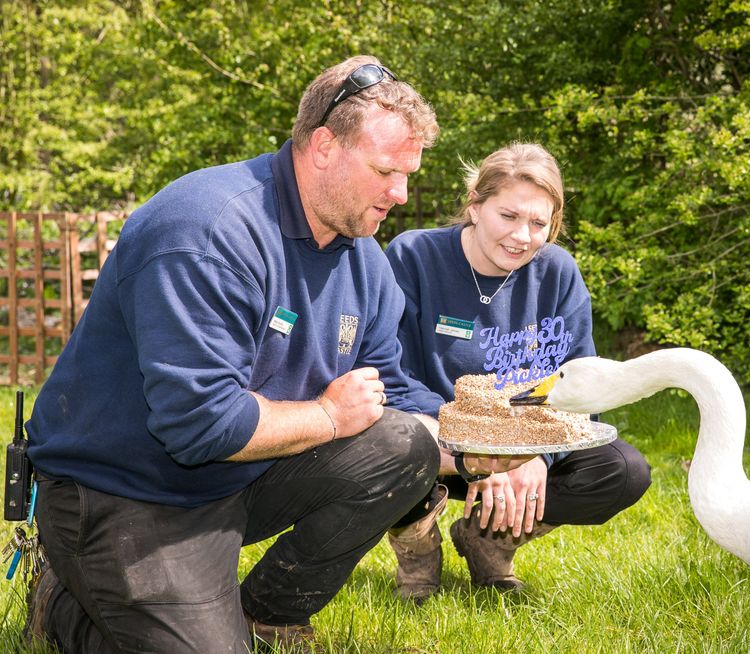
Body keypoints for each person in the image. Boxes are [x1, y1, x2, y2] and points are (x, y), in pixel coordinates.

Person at [23, 55, 524, 653]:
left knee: (404, 444)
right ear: (323, 147)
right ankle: (62, 602)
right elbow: (199, 425)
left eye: (408, 173)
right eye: (385, 170)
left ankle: (267, 613)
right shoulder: (206, 231)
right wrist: (330, 417)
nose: (401, 193)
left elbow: (389, 388)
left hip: (239, 475)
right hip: (126, 491)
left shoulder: (363, 259)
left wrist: (475, 443)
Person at [384, 143, 652, 602]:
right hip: (438, 439)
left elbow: (580, 389)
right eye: (507, 216)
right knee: (387, 437)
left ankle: (490, 538)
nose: (522, 236)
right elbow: (393, 374)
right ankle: (417, 547)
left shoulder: (558, 273)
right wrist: (483, 450)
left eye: (538, 223)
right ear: (475, 205)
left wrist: (534, 456)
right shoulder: (413, 256)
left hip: (527, 444)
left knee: (623, 470)